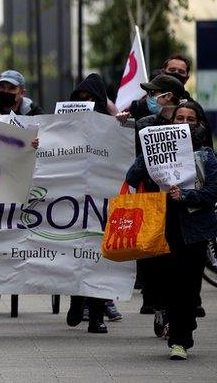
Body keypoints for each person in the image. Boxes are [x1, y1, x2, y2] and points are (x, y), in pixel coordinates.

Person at [126, 99, 217, 360]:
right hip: (159, 227)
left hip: (194, 231)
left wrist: (186, 196)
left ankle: (180, 339)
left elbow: (212, 192)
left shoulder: (207, 156)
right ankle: (169, 316)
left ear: (199, 124)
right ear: (171, 122)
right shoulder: (155, 149)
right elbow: (132, 177)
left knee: (188, 287)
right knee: (162, 284)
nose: (185, 124)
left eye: (191, 119)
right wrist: (149, 155)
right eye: (180, 119)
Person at [127, 73, 187, 336]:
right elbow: (141, 159)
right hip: (153, 200)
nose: (150, 98)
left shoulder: (189, 119)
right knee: (155, 259)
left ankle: (178, 314)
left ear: (169, 97)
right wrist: (130, 182)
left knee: (178, 259)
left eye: (154, 93)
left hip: (181, 200)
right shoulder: (146, 124)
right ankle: (160, 306)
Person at [64, 73, 114, 334]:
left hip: (101, 201)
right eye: (81, 98)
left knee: (98, 258)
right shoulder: (64, 124)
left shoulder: (111, 124)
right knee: (76, 254)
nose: (86, 102)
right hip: (73, 202)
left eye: (91, 98)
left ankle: (96, 316)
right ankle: (76, 300)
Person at [119, 54, 194, 123]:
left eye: (152, 92)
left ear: (168, 96)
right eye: (172, 70)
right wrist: (124, 121)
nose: (175, 74)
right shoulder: (139, 108)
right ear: (163, 71)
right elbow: (132, 131)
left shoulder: (193, 111)